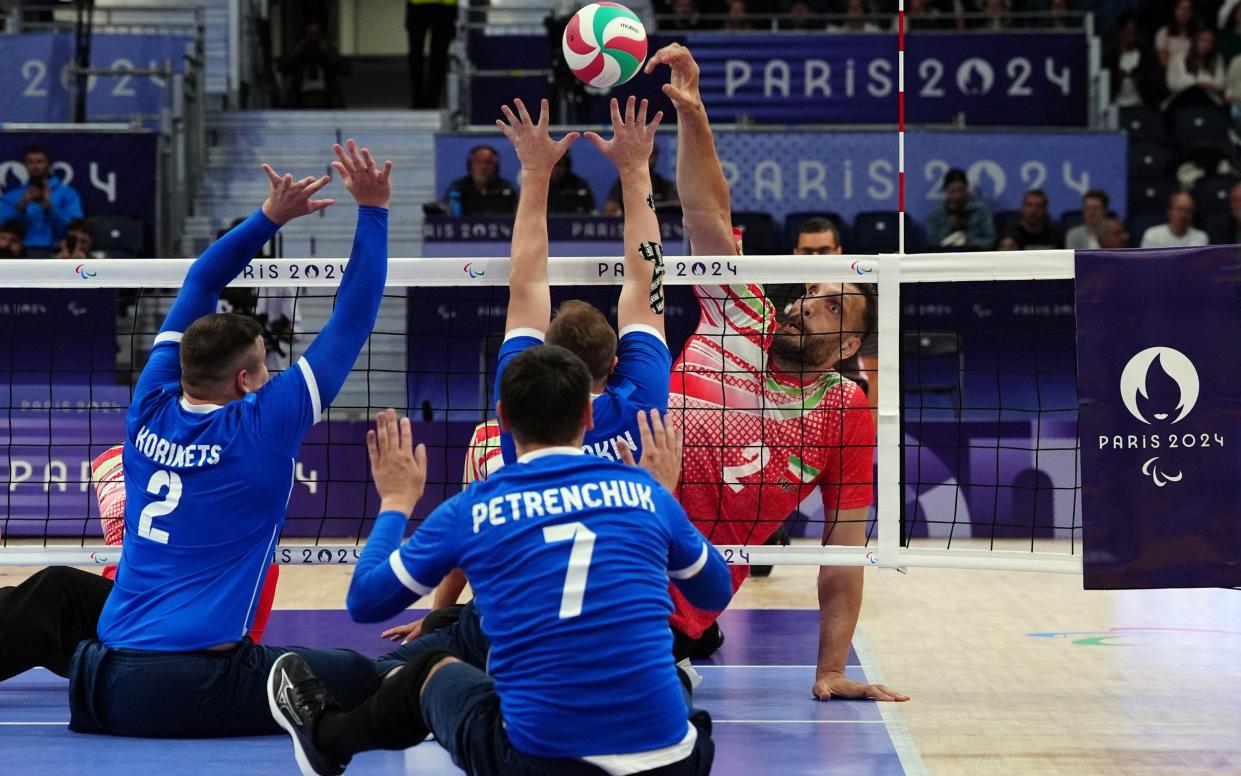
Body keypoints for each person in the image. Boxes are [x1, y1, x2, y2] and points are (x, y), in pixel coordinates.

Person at [66, 141, 394, 739]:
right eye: (264, 367)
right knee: (369, 677)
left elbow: (201, 278)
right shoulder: (264, 423)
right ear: (244, 380)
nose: (270, 377)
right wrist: (373, 209)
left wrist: (267, 217)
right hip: (198, 686)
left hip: (100, 685)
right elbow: (354, 316)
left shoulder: (147, 406)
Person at [268, 363, 731, 776]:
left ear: (502, 418)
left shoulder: (476, 506)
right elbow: (712, 594)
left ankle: (326, 738)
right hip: (676, 763)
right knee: (661, 671)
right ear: (588, 417)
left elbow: (366, 601)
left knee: (429, 669)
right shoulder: (645, 494)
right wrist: (666, 502)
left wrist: (394, 503)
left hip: (540, 765)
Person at [645, 42, 906, 702]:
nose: (807, 303)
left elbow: (844, 545)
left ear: (848, 345)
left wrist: (830, 668)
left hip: (681, 599)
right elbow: (707, 215)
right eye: (808, 294)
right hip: (611, 556)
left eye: (830, 305)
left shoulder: (843, 406)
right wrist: (694, 112)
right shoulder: (740, 313)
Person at [493, 96, 670, 466]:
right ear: (616, 363)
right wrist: (637, 166)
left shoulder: (524, 402)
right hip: (622, 525)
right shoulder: (640, 403)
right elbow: (646, 275)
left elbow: (527, 282)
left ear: (547, 356)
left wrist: (534, 171)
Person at [0, 145, 83, 253]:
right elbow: (2, 228)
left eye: (39, 162)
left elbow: (74, 230)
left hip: (57, 251)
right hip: (18, 253)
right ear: (25, 165)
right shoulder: (12, 195)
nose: (35, 166)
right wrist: (21, 206)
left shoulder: (68, 194)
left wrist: (50, 209)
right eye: (31, 162)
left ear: (48, 164)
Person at [279, 20, 349, 109]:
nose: (313, 38)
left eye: (315, 33)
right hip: (301, 99)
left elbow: (343, 68)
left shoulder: (327, 50)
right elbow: (283, 68)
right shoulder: (300, 52)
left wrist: (327, 51)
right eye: (310, 34)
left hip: (326, 98)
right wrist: (298, 49)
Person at [924, 167, 995, 250]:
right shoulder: (936, 214)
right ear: (945, 191)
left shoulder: (981, 211)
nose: (957, 195)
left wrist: (968, 241)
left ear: (967, 188)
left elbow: (991, 241)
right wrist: (949, 226)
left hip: (974, 255)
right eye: (952, 191)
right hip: (946, 257)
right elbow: (932, 243)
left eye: (960, 190)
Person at [406, 0, 458, 109]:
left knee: (416, 54)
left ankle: (418, 100)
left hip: (418, 4)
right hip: (446, 5)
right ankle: (432, 101)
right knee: (439, 55)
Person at [601, 145, 678, 216]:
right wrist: (611, 207)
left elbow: (674, 207)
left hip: (659, 226)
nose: (646, 160)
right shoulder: (622, 184)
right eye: (642, 155)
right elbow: (610, 207)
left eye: (650, 155)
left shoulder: (664, 185)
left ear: (656, 158)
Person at [442, 145, 518, 215]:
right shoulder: (457, 187)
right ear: (470, 165)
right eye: (478, 162)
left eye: (488, 162)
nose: (483, 167)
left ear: (496, 166)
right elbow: (446, 213)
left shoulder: (507, 188)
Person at [1167, 27, 1225, 103]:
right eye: (1203, 40)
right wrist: (1200, 85)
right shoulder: (1179, 57)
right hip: (1182, 101)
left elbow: (1220, 84)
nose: (1207, 45)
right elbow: (1172, 84)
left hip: (1209, 102)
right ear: (1195, 40)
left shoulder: (1217, 58)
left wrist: (1192, 84)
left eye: (1211, 42)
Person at [1140, 191, 1209, 248]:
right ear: (1169, 211)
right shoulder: (1152, 235)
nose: (1184, 215)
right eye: (1180, 209)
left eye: (1188, 211)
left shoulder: (1201, 237)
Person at [1155, 0, 1197, 68]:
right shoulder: (1163, 32)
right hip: (1170, 71)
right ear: (1175, 10)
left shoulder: (1195, 34)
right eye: (1181, 8)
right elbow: (1163, 59)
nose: (1184, 12)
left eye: (1188, 9)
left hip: (1191, 71)